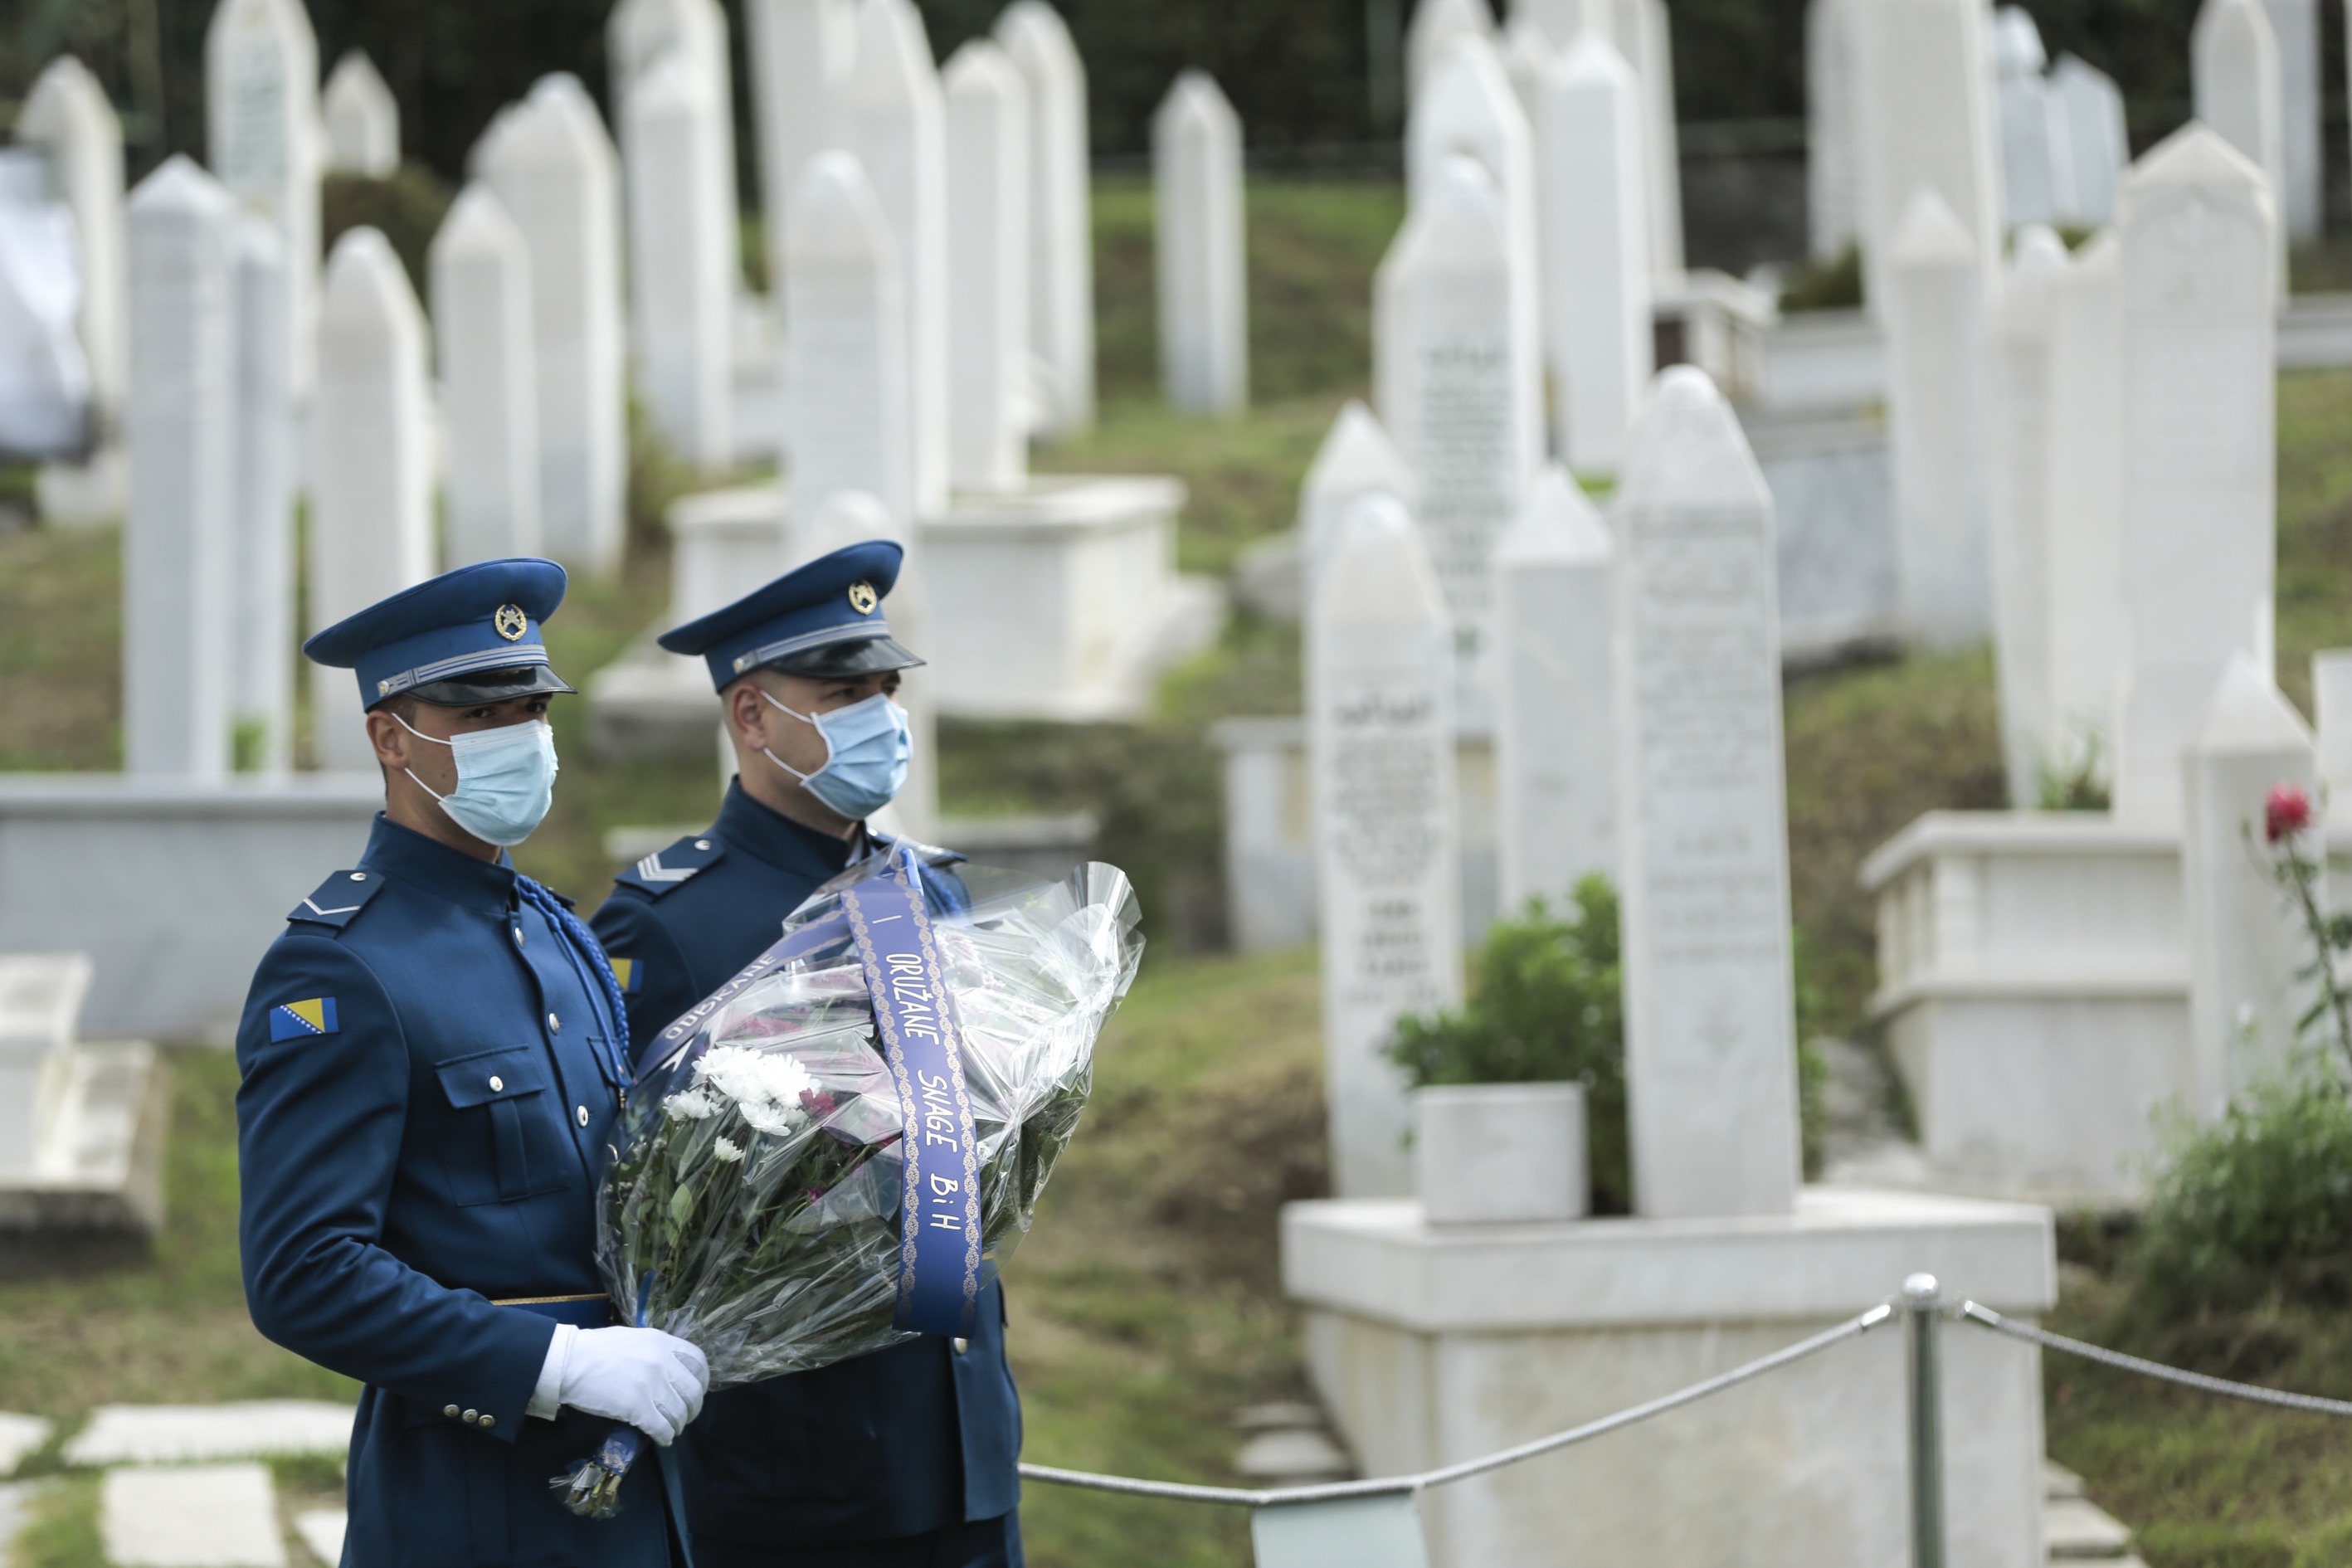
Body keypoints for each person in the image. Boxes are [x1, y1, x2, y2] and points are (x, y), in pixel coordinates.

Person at [235, 559, 709, 1567]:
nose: (522, 739)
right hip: (469, 1504)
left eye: (531, 709)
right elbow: (303, 1272)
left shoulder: (557, 934)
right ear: (389, 737)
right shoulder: (342, 964)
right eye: (481, 715)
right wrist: (555, 1362)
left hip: (636, 1499)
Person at [592, 540, 1024, 1568]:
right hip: (798, 1463)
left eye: (883, 687)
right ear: (751, 716)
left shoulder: (929, 888)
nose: (878, 713)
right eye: (841, 692)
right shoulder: (669, 923)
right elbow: (635, 1199)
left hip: (961, 1439)